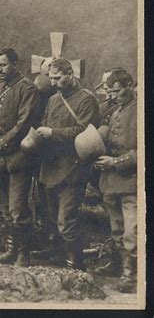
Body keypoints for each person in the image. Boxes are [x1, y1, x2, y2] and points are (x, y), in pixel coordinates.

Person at [36, 58, 100, 270]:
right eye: (51, 78)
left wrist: (52, 133)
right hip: (51, 165)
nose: (53, 82)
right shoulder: (54, 99)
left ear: (70, 74)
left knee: (66, 220)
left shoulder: (86, 100)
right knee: (54, 219)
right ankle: (61, 256)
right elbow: (44, 123)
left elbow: (84, 131)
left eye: (58, 77)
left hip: (73, 168)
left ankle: (76, 266)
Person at [0, 48, 40, 266]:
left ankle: (23, 253)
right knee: (3, 205)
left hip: (18, 158)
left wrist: (1, 145)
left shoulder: (27, 88)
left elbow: (23, 124)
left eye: (3, 65)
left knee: (18, 207)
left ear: (15, 64)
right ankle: (10, 251)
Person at [93, 68, 137, 293]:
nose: (114, 96)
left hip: (131, 182)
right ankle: (120, 265)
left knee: (132, 230)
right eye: (111, 92)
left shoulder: (141, 111)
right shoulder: (113, 111)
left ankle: (131, 274)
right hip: (110, 182)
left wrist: (116, 162)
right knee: (117, 228)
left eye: (118, 91)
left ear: (130, 86)